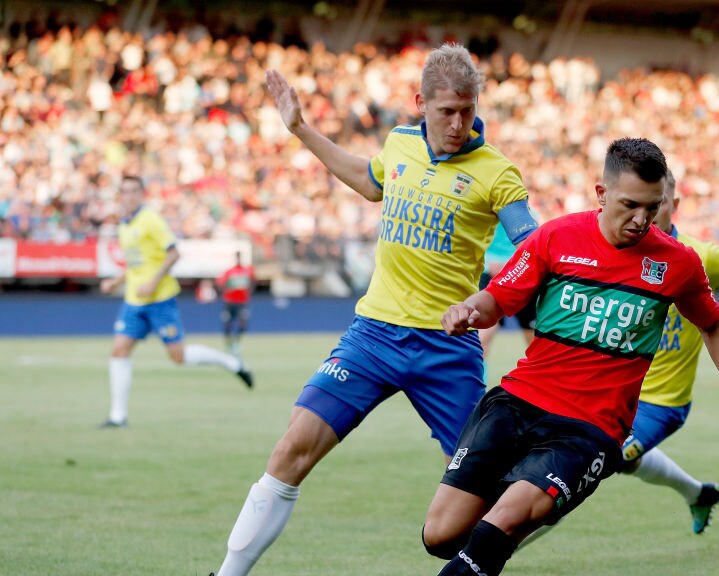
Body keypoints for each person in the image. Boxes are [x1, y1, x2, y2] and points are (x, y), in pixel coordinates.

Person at [212, 44, 538, 576]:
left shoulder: (497, 172)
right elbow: (370, 181)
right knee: (292, 449)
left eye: (468, 111)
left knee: (484, 499)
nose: (458, 124)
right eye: (446, 112)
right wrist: (300, 129)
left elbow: (531, 248)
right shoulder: (400, 142)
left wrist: (489, 301)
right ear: (421, 104)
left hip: (447, 349)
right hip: (374, 336)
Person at [422, 138, 719, 576]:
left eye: (652, 207)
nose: (642, 219)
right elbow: (496, 300)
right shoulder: (555, 236)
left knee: (505, 521)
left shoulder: (678, 262)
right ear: (602, 193)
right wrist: (468, 310)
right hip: (518, 403)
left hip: (590, 429)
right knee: (440, 536)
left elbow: (714, 325)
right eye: (630, 205)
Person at [98, 176, 253, 428]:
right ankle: (118, 416)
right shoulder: (124, 225)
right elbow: (137, 263)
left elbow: (174, 253)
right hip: (134, 301)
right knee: (119, 351)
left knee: (178, 356)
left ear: (142, 193)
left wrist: (153, 282)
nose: (129, 195)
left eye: (134, 190)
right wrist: (115, 282)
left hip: (160, 299)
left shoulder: (150, 219)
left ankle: (232, 363)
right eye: (125, 191)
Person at [477, 223, 536, 362]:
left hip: (522, 272)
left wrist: (515, 264)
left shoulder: (529, 215)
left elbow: (534, 242)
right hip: (490, 273)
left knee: (535, 341)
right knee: (482, 336)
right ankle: (474, 375)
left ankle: (543, 372)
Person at [216, 251, 256, 356]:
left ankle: (237, 342)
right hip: (230, 302)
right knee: (227, 324)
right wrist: (225, 293)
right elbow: (220, 283)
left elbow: (253, 282)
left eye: (240, 257)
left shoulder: (248, 270)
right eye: (237, 257)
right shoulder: (229, 272)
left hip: (242, 302)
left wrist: (248, 293)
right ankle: (228, 343)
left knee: (243, 323)